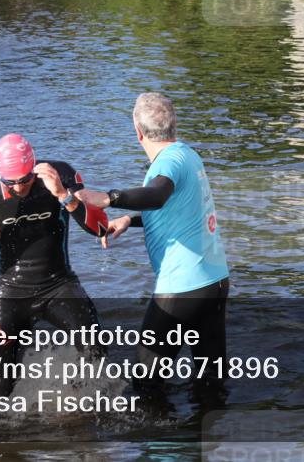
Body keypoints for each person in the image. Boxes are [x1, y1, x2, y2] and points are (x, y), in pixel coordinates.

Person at [75, 93, 230, 398]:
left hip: (182, 288)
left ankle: (160, 446)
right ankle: (208, 437)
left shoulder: (169, 163)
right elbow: (176, 212)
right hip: (214, 281)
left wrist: (110, 198)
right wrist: (129, 221)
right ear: (175, 125)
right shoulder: (188, 155)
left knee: (146, 383)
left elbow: (157, 195)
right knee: (210, 380)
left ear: (138, 133)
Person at [0, 134, 110, 397]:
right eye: (11, 183)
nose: (19, 187)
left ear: (33, 167)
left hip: (59, 285)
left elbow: (100, 227)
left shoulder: (59, 175)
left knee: (96, 345)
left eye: (25, 179)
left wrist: (65, 196)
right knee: (0, 389)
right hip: (11, 292)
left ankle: (79, 409)